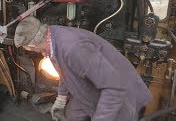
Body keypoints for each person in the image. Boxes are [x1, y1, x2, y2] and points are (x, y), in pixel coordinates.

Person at [13, 16, 152, 121]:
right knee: (71, 115)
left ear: (32, 45)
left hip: (119, 96)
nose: (26, 50)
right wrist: (60, 100)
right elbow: (64, 72)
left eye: (25, 47)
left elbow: (114, 87)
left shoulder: (73, 48)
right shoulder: (51, 37)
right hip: (89, 89)